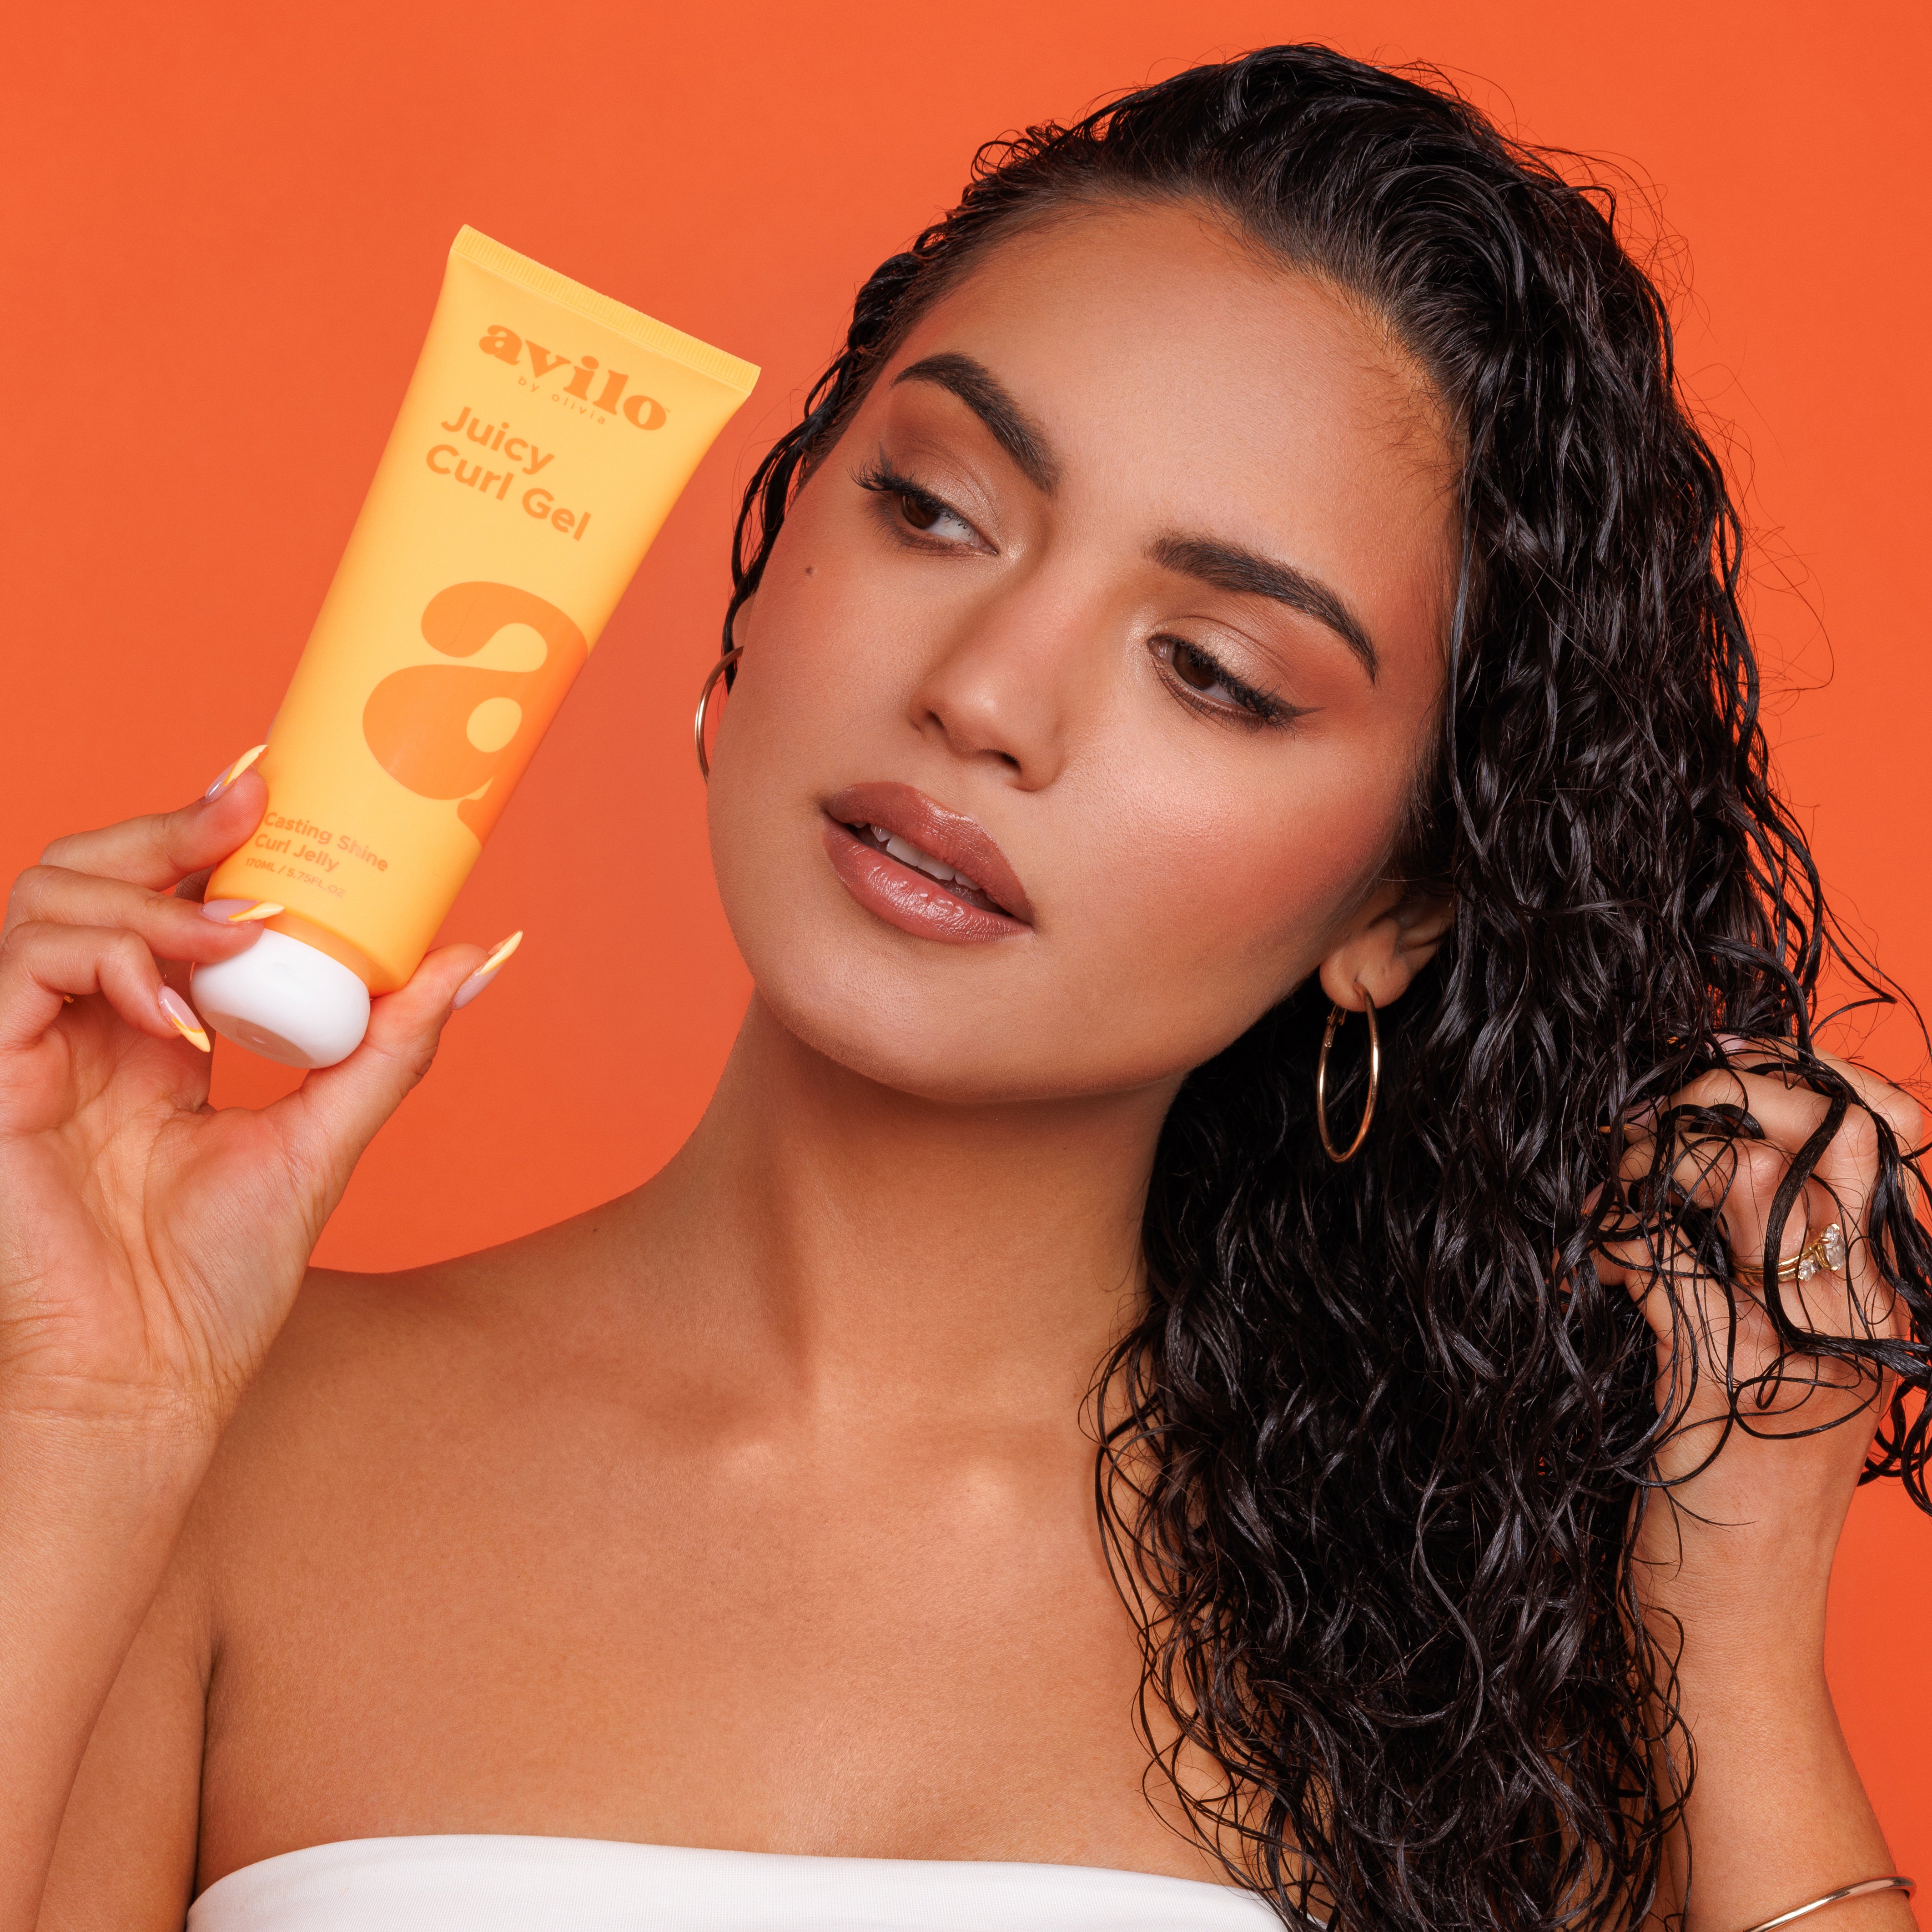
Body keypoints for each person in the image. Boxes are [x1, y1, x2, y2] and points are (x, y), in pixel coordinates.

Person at [2, 43, 1925, 1932]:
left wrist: (1732, 1650)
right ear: (766, 577)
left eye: (1217, 672)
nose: (987, 695)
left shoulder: (1469, 1647)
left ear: (1404, 909)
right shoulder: (200, 1446)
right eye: (933, 509)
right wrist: (79, 1417)